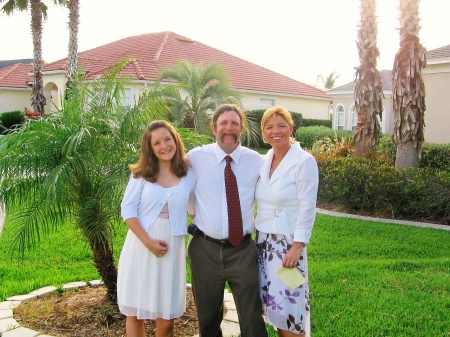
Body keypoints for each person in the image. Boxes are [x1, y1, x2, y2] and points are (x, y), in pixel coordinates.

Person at [186, 104, 268, 337]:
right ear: (214, 128)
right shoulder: (196, 157)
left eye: (234, 123)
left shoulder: (256, 161)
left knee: (252, 318)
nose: (228, 128)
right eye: (223, 123)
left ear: (241, 128)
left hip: (242, 250)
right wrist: (193, 209)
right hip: (204, 250)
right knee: (208, 318)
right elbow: (178, 185)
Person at [117, 120, 196, 337]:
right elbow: (128, 211)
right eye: (157, 143)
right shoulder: (141, 174)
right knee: (135, 313)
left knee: (166, 319)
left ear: (175, 140)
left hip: (172, 249)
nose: (164, 146)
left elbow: (194, 207)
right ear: (150, 148)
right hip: (141, 246)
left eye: (167, 139)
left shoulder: (188, 173)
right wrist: (148, 242)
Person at [255, 106, 319, 337]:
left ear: (291, 128)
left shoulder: (304, 161)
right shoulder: (263, 160)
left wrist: (297, 246)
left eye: (281, 126)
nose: (276, 131)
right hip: (263, 244)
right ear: (263, 132)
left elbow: (307, 207)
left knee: (289, 311)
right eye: (269, 127)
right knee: (272, 307)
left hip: (288, 247)